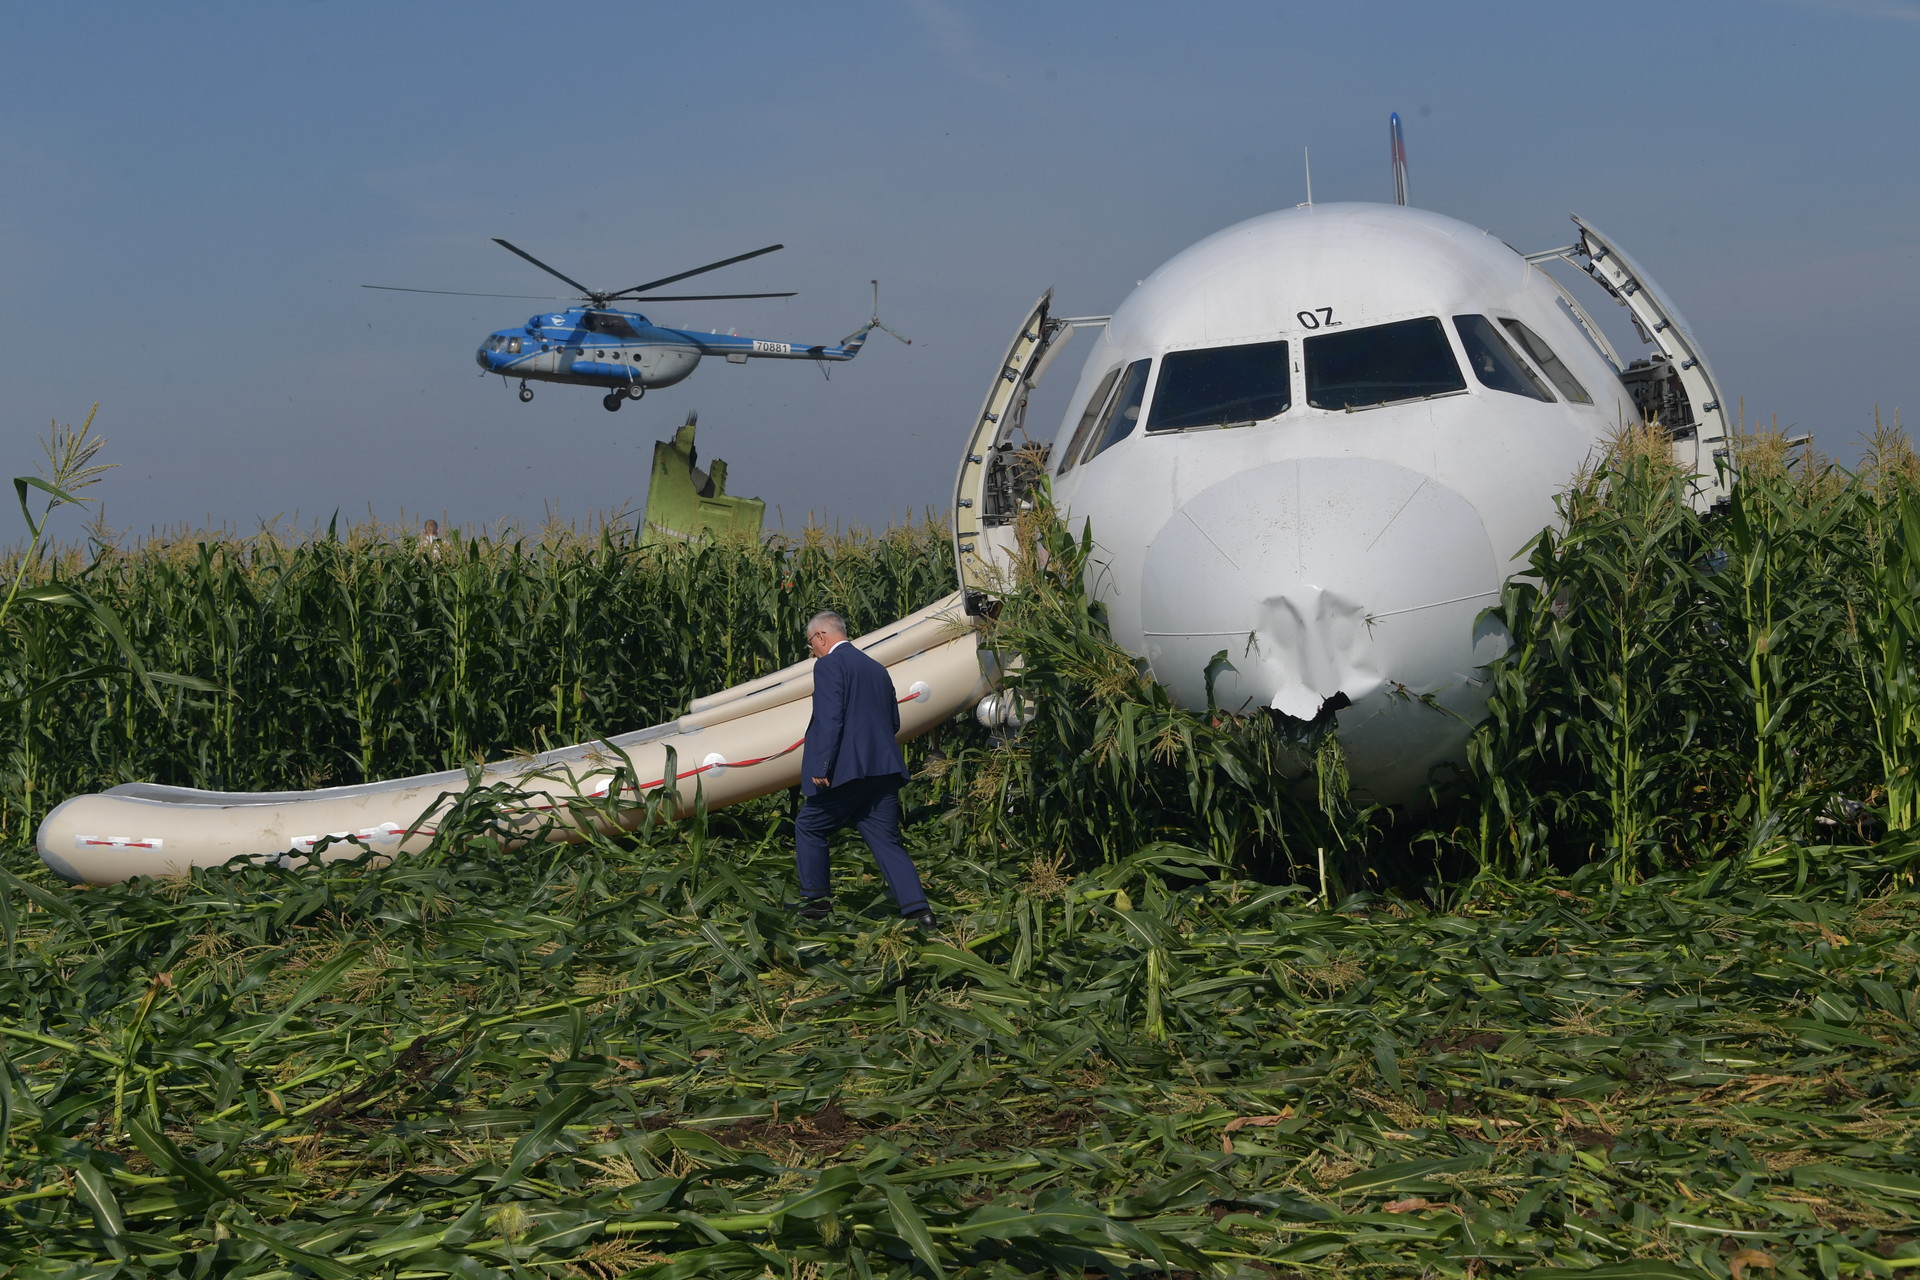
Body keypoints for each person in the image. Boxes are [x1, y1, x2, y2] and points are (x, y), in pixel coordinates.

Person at [793, 610, 936, 928]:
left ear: (822, 637)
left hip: (849, 770)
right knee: (886, 840)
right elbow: (893, 721)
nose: (812, 651)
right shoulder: (876, 668)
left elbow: (831, 716)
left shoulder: (829, 665)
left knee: (809, 825)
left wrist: (821, 763)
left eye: (810, 644)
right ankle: (919, 911)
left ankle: (816, 904)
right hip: (884, 768)